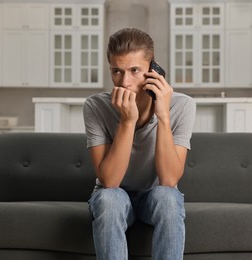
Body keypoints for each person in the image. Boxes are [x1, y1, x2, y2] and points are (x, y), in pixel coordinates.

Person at [83, 27, 196, 260]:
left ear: (153, 70)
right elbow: (110, 181)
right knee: (109, 199)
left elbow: (169, 180)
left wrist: (163, 115)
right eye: (117, 71)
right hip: (115, 195)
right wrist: (127, 121)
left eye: (135, 70)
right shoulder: (96, 106)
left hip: (155, 195)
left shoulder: (182, 106)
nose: (125, 82)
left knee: (168, 198)